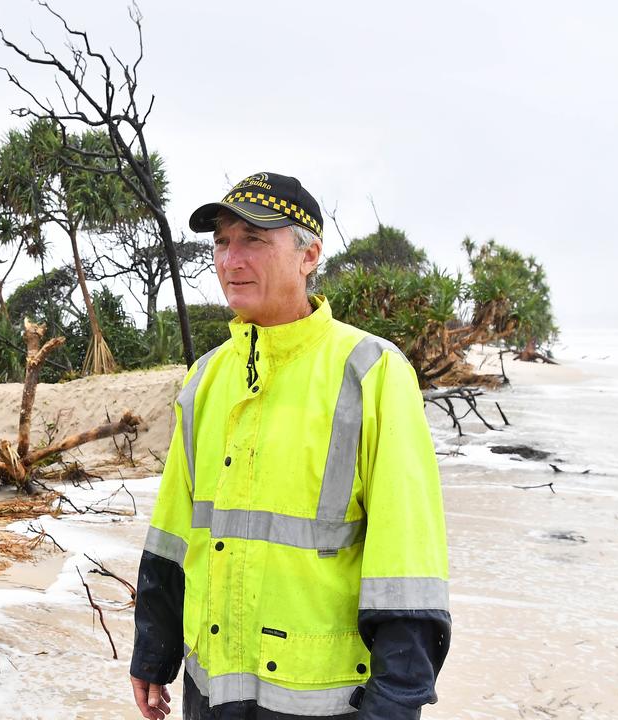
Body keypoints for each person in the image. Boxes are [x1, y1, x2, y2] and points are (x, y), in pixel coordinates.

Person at [129, 172, 450, 720]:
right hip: (212, 691)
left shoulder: (370, 370)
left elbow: (407, 554)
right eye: (222, 242)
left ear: (309, 256)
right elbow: (174, 527)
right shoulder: (205, 378)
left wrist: (398, 699)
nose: (231, 259)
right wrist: (153, 652)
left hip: (321, 700)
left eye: (254, 239)